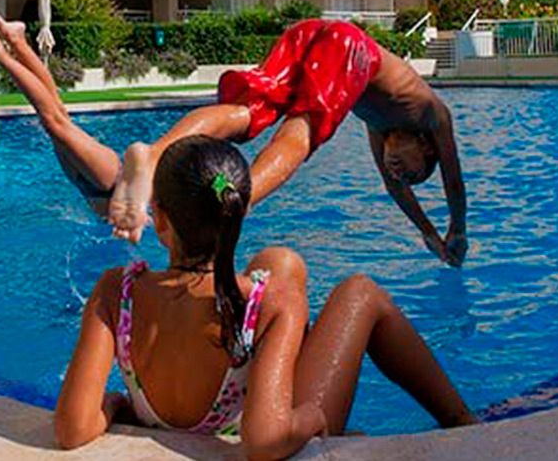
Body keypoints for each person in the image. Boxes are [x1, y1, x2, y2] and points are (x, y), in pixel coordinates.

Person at [55, 136, 474, 458]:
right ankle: (463, 421)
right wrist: (315, 418)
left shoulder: (117, 291)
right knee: (360, 292)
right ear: (235, 216)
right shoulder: (273, 302)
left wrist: (114, 404)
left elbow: (73, 428)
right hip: (251, 422)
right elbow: (264, 442)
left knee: (282, 260)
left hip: (173, 404)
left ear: (160, 219)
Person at [110, 19, 468, 266]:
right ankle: (236, 206)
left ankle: (152, 154)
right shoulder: (433, 114)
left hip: (311, 32)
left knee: (249, 114)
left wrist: (429, 237)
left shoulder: (379, 126)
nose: (398, 173)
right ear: (426, 148)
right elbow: (453, 180)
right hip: (349, 46)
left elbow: (394, 190)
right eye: (411, 171)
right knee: (303, 132)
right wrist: (457, 229)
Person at [0, 12, 119, 214]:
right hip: (110, 183)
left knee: (57, 114)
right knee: (55, 121)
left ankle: (17, 40)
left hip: (94, 189)